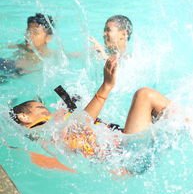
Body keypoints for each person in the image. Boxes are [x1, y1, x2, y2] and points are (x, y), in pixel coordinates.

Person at [9, 55, 171, 158]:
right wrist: (106, 86)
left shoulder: (50, 132)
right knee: (145, 95)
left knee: (166, 116)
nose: (47, 111)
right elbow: (79, 125)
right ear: (24, 117)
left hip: (127, 149)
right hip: (127, 153)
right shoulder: (41, 130)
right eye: (40, 108)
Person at [0, 13, 54, 77]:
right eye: (28, 32)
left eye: (35, 33)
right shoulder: (21, 46)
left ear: (48, 38)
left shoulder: (51, 56)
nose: (28, 36)